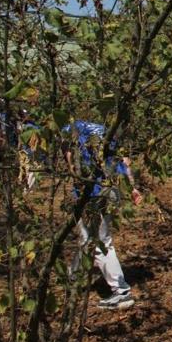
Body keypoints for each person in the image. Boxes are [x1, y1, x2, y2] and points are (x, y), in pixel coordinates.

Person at [64, 120, 142, 309]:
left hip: (92, 192)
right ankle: (71, 276)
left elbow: (70, 158)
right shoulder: (107, 129)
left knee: (99, 241)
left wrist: (74, 177)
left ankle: (121, 291)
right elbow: (124, 160)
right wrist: (132, 188)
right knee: (86, 238)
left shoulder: (69, 128)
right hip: (111, 189)